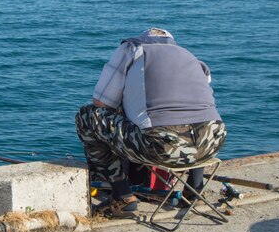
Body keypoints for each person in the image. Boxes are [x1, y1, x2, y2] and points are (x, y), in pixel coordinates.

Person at [75, 28, 226, 217]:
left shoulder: (132, 48)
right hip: (213, 144)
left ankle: (122, 196)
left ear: (144, 38)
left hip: (162, 147)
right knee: (196, 120)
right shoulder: (190, 57)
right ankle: (194, 189)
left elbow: (101, 103)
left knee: (87, 116)